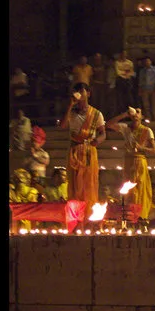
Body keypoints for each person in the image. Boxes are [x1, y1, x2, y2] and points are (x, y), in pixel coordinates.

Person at [59, 82, 106, 217]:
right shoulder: (71, 113)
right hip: (74, 151)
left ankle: (88, 217)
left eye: (82, 91)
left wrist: (98, 140)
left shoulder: (96, 114)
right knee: (74, 186)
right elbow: (62, 126)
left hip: (89, 151)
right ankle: (75, 217)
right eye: (76, 91)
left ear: (88, 94)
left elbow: (103, 133)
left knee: (88, 185)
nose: (79, 93)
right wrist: (70, 105)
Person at [105, 107, 155, 221]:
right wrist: (124, 115)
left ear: (142, 116)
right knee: (129, 191)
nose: (136, 114)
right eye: (134, 112)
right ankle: (129, 217)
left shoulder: (147, 131)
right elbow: (108, 124)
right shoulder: (125, 128)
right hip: (128, 161)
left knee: (141, 190)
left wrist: (141, 147)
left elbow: (154, 150)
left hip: (140, 161)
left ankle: (141, 217)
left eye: (138, 112)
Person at [138, 56, 155, 121]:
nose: (147, 62)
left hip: (153, 88)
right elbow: (141, 81)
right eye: (145, 61)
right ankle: (148, 117)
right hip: (145, 89)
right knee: (146, 105)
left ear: (150, 62)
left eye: (148, 61)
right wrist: (140, 89)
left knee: (154, 104)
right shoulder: (142, 71)